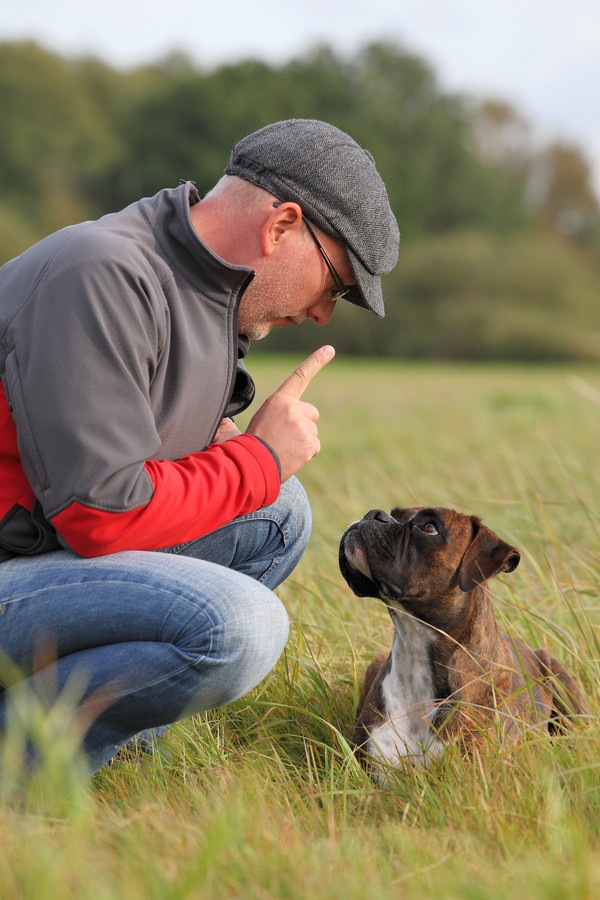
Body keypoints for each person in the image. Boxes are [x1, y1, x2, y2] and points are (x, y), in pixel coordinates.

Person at [0, 119, 399, 773]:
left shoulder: (204, 291)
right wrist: (258, 459)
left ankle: (99, 745)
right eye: (337, 283)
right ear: (280, 227)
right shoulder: (99, 273)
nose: (327, 311)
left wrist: (242, 462)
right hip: (25, 556)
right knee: (242, 624)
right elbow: (100, 515)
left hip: (32, 552)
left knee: (276, 513)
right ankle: (24, 763)